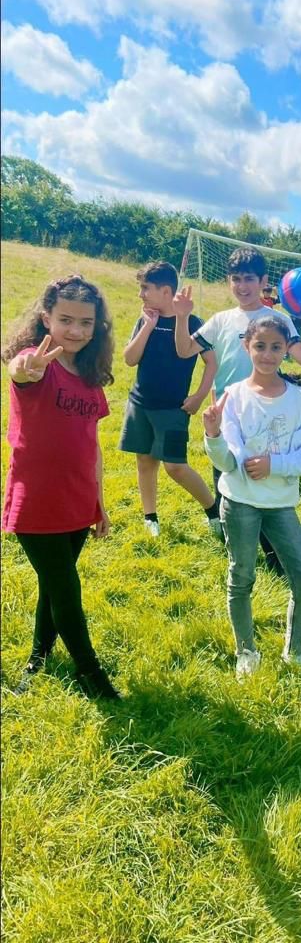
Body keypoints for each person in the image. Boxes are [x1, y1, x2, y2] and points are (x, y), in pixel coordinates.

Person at [2, 274, 120, 700]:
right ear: (46, 317)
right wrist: (25, 366)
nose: (75, 331)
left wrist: (98, 502)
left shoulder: (88, 374)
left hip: (77, 498)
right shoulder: (39, 360)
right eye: (66, 320)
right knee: (67, 590)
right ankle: (92, 675)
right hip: (37, 500)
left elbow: (93, 447)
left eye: (86, 323)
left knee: (53, 584)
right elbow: (20, 371)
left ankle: (39, 657)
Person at [174, 247, 301, 560]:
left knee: (267, 482)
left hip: (269, 416)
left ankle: (274, 555)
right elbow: (184, 350)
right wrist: (181, 317)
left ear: (264, 281)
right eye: (236, 279)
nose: (242, 286)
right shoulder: (221, 321)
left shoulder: (277, 319)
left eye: (249, 279)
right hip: (229, 419)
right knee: (229, 482)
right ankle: (239, 553)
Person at [202, 315, 301, 684]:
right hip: (239, 503)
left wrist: (276, 464)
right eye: (260, 346)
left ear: (287, 348)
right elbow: (229, 463)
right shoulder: (235, 396)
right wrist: (213, 434)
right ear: (247, 347)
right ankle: (246, 651)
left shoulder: (299, 400)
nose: (268, 354)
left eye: (276, 347)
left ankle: (295, 652)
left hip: (280, 505)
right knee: (241, 577)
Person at [119, 261, 218, 537]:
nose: (141, 294)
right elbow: (129, 359)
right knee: (145, 461)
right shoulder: (145, 319)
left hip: (173, 408)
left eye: (145, 288)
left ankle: (214, 511)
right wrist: (148, 326)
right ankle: (150, 517)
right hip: (140, 404)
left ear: (165, 291)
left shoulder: (193, 322)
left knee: (175, 466)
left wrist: (199, 396)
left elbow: (211, 363)